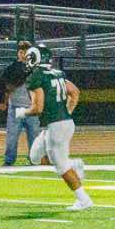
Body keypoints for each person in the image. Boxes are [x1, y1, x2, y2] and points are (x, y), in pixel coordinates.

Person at [23, 43, 93, 210]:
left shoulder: (36, 76)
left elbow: (38, 108)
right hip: (58, 124)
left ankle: (84, 200)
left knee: (61, 167)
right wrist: (66, 112)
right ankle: (73, 164)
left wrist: (22, 113)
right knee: (35, 157)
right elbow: (74, 91)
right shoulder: (57, 73)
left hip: (56, 127)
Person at [0, 39, 40, 166]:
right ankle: (9, 160)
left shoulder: (35, 68)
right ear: (18, 53)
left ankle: (34, 160)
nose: (23, 55)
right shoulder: (11, 68)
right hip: (15, 107)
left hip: (32, 107)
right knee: (12, 136)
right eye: (21, 52)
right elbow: (1, 84)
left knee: (34, 137)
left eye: (26, 52)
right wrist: (1, 101)